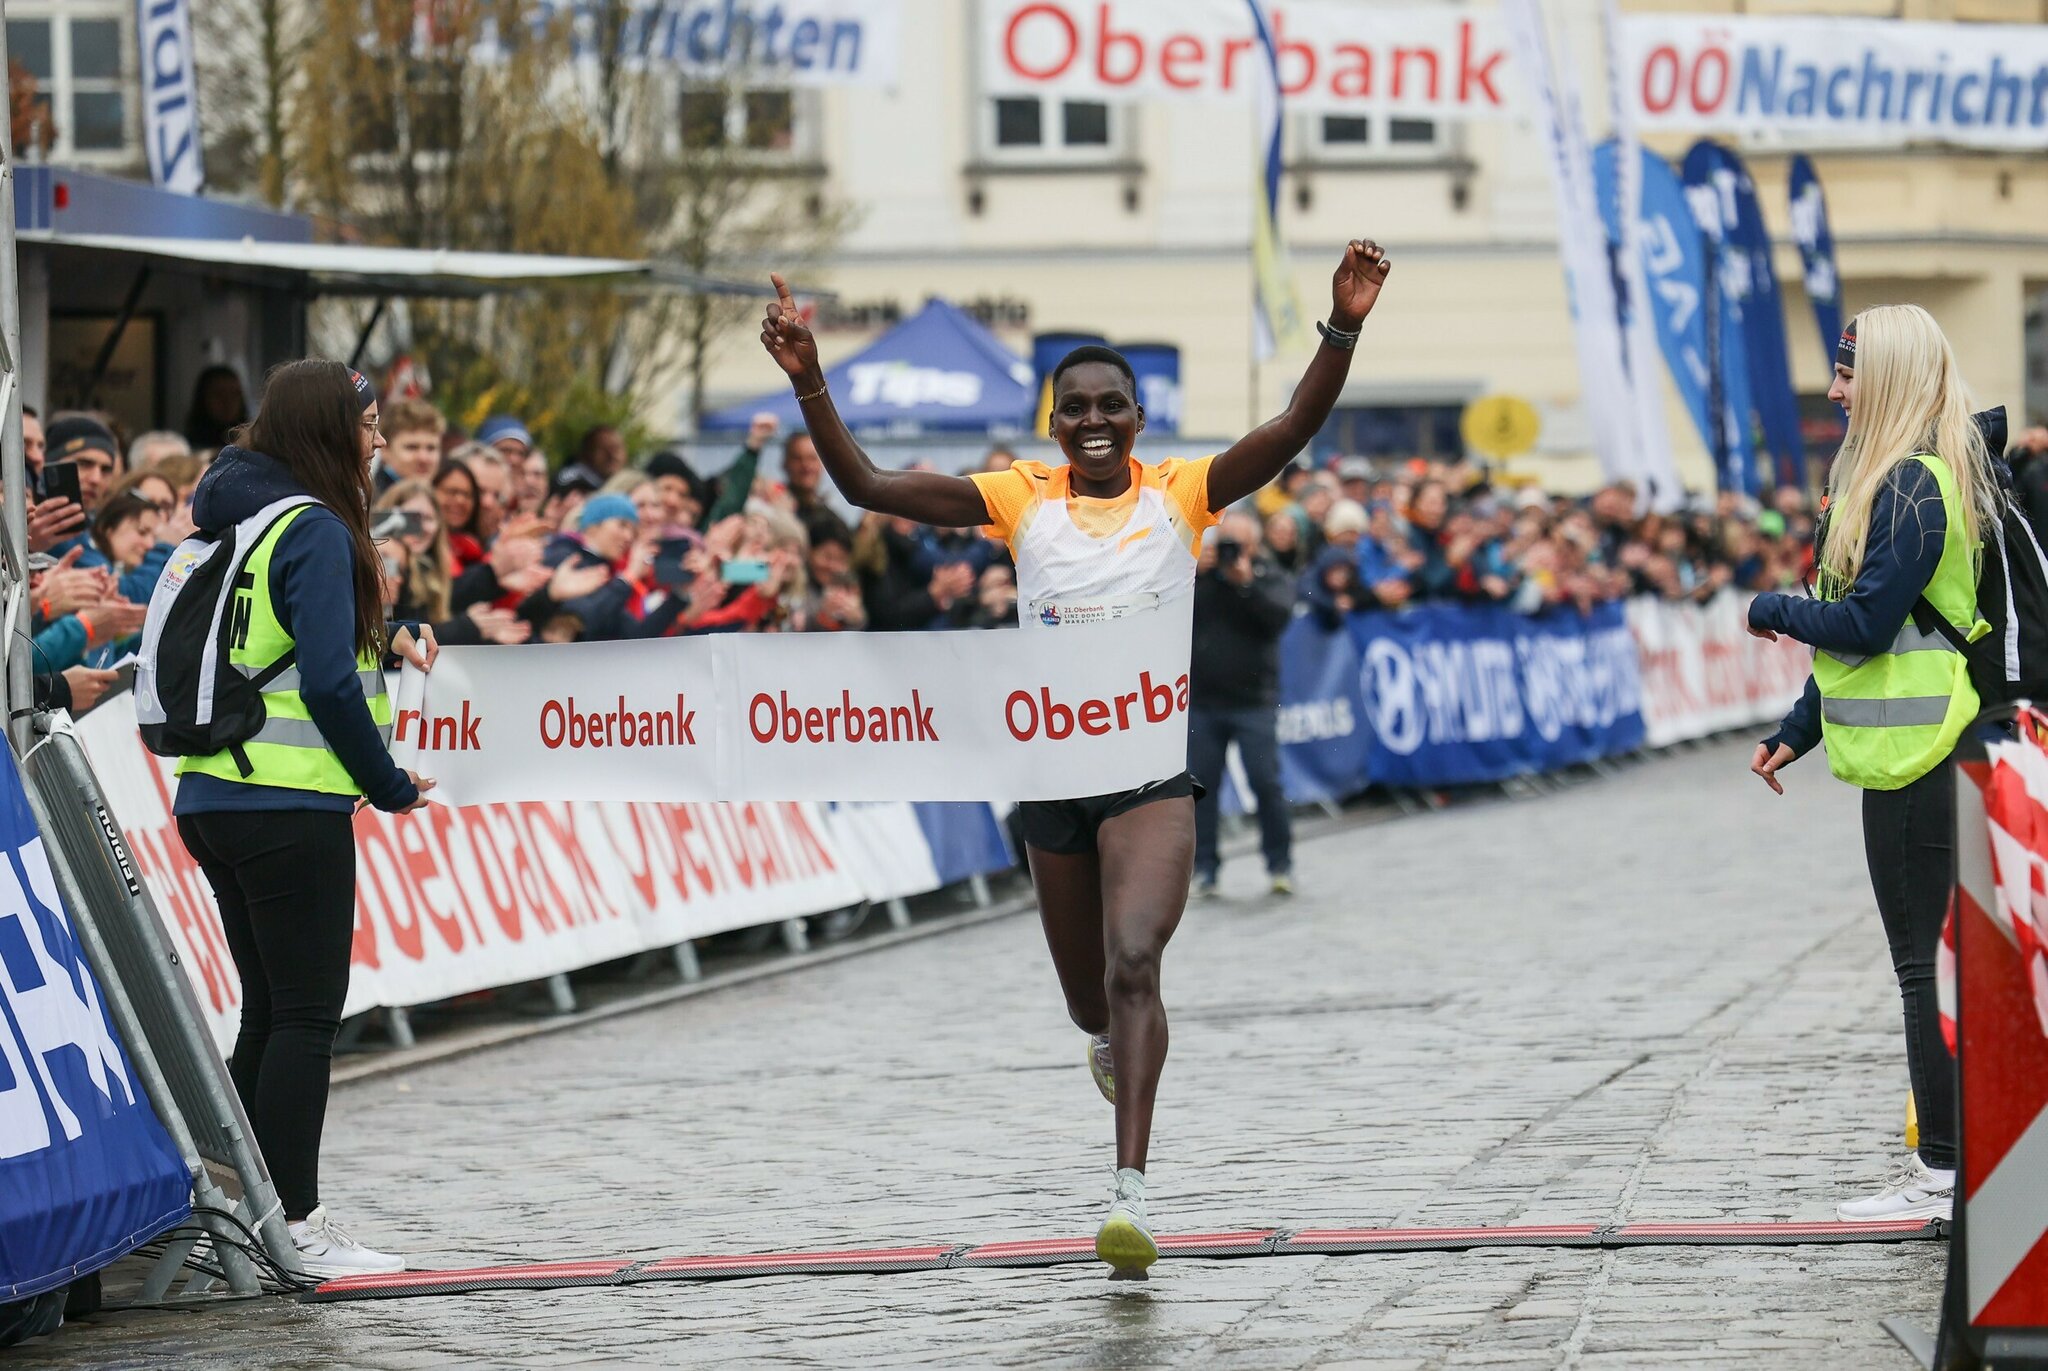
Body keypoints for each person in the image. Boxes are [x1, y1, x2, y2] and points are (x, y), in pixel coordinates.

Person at [757, 238, 1392, 1275]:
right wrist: (810, 381)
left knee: (1134, 960)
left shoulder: (1183, 490)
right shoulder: (1019, 496)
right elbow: (867, 486)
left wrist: (1343, 324)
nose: (1093, 423)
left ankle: (1128, 1193)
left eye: (1111, 406)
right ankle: (1099, 1033)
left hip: (1148, 777)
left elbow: (1291, 427)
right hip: (1052, 785)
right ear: (1052, 423)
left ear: (1137, 418)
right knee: (1089, 1001)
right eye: (1075, 409)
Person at [169, 359, 437, 1277]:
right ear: (332, 429)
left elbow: (279, 642)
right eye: (368, 423)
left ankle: (238, 1214)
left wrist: (390, 629)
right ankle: (298, 1228)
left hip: (213, 796)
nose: (379, 440)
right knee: (307, 1017)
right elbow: (324, 682)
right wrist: (391, 783)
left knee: (270, 1011)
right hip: (287, 803)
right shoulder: (315, 527)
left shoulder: (237, 516)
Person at [1746, 307, 1997, 1224]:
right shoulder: (1894, 481)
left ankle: (1941, 1168)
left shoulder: (1911, 488)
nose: (1834, 389)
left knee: (1921, 965)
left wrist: (1767, 604)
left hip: (1919, 755)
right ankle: (1951, 1163)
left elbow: (1863, 625)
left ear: (1885, 378)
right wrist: (1797, 729)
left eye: (1848, 374)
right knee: (1928, 960)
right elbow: (1854, 636)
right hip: (1902, 751)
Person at [1188, 512, 1296, 899]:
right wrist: (1193, 571)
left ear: (1254, 546)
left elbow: (1279, 619)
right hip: (1203, 702)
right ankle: (1205, 869)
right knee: (1201, 789)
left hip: (1254, 702)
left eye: (1239, 545)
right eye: (1225, 545)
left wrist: (1247, 584)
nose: (1231, 554)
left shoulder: (1268, 576)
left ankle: (1280, 863)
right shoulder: (1197, 576)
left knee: (1266, 782)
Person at [376, 399, 446, 492]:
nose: (423, 458)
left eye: (431, 448)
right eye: (412, 447)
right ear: (385, 450)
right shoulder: (368, 502)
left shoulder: (443, 499)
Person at [184, 365, 249, 452]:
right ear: (203, 398)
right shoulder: (187, 449)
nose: (228, 401)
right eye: (219, 394)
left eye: (234, 394)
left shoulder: (251, 446)